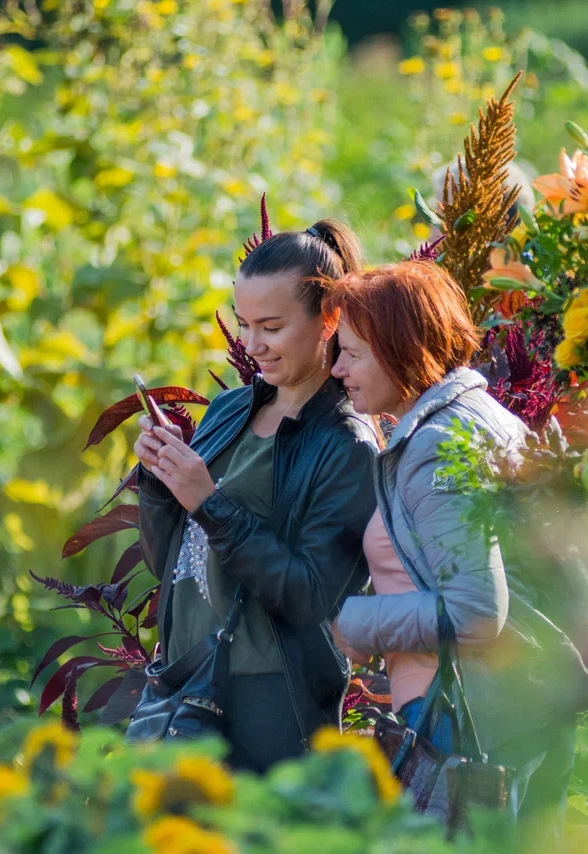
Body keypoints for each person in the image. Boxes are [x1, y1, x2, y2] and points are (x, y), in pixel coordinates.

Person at [325, 261, 588, 846]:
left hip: (480, 723)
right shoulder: (475, 417)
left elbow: (476, 609)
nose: (337, 368)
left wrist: (356, 622)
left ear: (401, 349)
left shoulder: (435, 445)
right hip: (525, 706)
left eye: (351, 352)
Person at [133, 219, 378, 773]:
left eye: (270, 326)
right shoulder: (230, 411)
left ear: (329, 319)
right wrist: (158, 478)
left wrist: (209, 502)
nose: (252, 345)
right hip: (185, 680)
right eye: (244, 325)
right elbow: (169, 562)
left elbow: (311, 597)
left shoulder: (344, 444)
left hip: (270, 704)